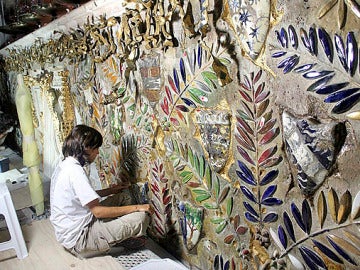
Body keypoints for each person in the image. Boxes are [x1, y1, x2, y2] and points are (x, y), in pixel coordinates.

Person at [50, 124, 152, 258]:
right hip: (80, 238)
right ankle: (111, 241)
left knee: (123, 197)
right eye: (95, 148)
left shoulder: (65, 165)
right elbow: (98, 212)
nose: (98, 153)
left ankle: (116, 235)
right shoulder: (75, 172)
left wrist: (111, 190)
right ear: (86, 148)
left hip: (74, 227)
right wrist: (137, 207)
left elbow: (81, 197)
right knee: (141, 217)